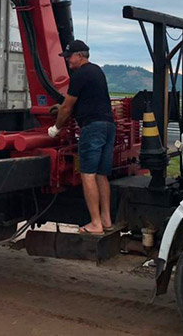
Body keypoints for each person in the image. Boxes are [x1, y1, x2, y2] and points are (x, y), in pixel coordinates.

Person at [48, 40, 115, 236]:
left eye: (69, 56)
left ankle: (95, 224)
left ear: (80, 55)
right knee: (102, 175)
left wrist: (55, 128)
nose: (68, 60)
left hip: (92, 128)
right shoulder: (97, 71)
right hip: (108, 126)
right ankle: (106, 219)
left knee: (88, 174)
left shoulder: (79, 75)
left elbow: (67, 107)